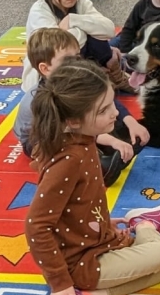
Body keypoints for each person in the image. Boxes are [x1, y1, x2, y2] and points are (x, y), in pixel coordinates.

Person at [25, 58, 160, 295]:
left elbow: (83, 201)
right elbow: (36, 226)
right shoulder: (67, 160)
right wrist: (60, 284)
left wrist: (103, 226)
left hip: (98, 242)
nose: (115, 112)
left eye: (111, 103)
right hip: (79, 264)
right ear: (72, 120)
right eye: (103, 110)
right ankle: (146, 226)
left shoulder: (84, 137)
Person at [14, 28, 149, 186]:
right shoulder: (46, 98)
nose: (75, 64)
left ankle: (114, 149)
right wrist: (112, 141)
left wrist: (129, 121)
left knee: (110, 118)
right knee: (72, 149)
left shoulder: (73, 78)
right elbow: (72, 129)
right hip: (39, 139)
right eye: (67, 60)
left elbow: (105, 100)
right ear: (45, 68)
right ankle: (101, 167)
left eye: (77, 57)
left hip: (74, 125)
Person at [22, 0, 133, 93]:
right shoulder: (38, 12)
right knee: (100, 100)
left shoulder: (80, 2)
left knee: (111, 37)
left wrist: (73, 20)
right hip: (52, 77)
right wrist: (87, 28)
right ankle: (108, 66)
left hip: (79, 59)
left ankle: (113, 69)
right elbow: (60, 49)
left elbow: (109, 29)